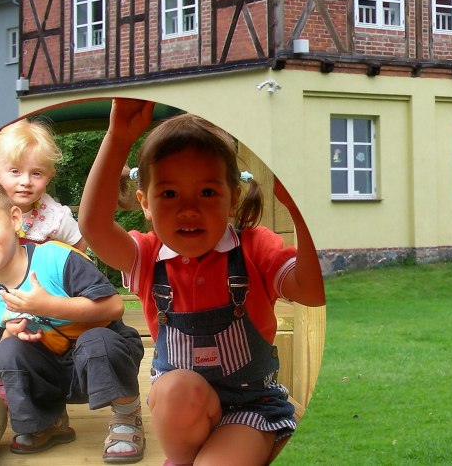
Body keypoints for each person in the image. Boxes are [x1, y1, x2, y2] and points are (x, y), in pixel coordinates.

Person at [78, 99, 326, 466]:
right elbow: (93, 227)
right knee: (175, 387)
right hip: (182, 416)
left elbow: (313, 291)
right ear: (145, 203)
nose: (189, 209)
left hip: (250, 410)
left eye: (207, 192)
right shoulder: (147, 257)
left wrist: (304, 214)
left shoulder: (255, 248)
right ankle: (182, 459)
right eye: (169, 194)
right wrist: (118, 137)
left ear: (233, 199)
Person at [0, 172, 147, 463]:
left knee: (98, 339)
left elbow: (113, 307)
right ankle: (48, 423)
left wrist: (48, 306)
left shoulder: (56, 259)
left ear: (14, 219)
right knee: (9, 351)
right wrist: (9, 335)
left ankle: (126, 416)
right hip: (51, 369)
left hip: (103, 357)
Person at [0, 117, 87, 250]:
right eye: (15, 171)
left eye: (36, 173)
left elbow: (80, 244)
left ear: (49, 176)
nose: (26, 182)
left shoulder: (53, 215)